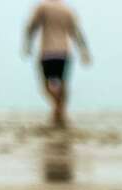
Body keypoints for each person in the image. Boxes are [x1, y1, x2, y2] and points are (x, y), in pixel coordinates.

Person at [23, 0, 91, 128]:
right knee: (62, 85)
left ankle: (58, 111)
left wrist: (27, 44)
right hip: (64, 52)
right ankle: (60, 114)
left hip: (47, 52)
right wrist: (84, 52)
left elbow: (31, 27)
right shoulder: (67, 9)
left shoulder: (42, 6)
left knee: (47, 86)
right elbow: (77, 33)